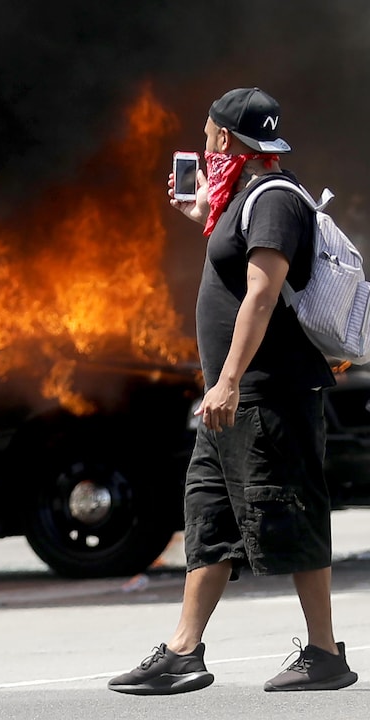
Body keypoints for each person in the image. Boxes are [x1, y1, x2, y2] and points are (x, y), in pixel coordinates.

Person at [108, 87, 359, 694]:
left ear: (226, 139)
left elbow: (263, 293)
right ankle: (183, 651)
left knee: (288, 508)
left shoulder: (273, 201)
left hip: (265, 394)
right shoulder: (245, 199)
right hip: (233, 398)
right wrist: (206, 219)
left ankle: (326, 654)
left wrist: (227, 380)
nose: (203, 142)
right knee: (209, 515)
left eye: (208, 133)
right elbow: (235, 270)